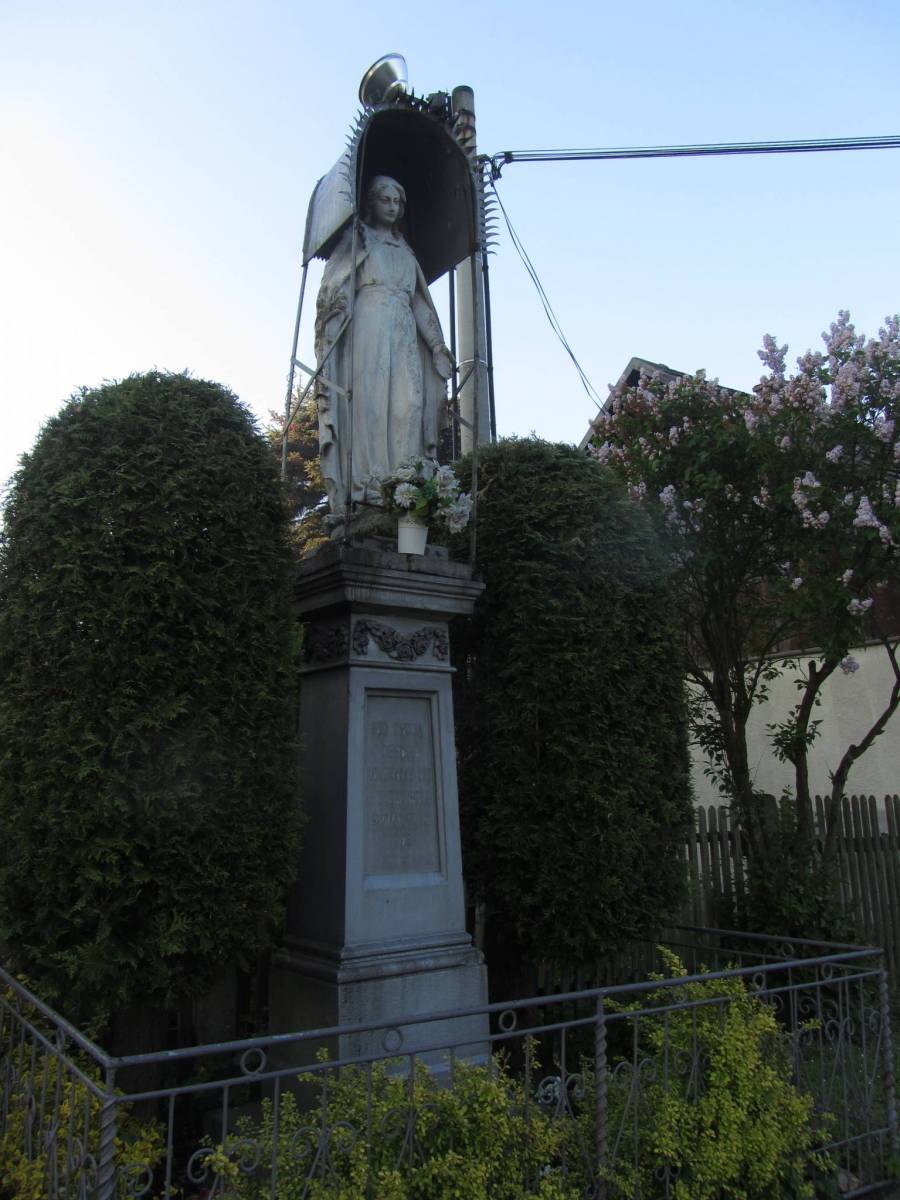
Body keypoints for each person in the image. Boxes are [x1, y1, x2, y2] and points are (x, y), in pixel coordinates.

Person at [314, 175, 454, 516]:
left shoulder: (405, 250)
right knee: (372, 407)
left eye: (396, 202)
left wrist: (436, 345)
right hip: (369, 328)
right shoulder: (357, 239)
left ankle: (406, 486)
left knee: (410, 404)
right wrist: (333, 322)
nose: (392, 207)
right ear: (371, 203)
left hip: (403, 331)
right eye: (385, 200)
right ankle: (371, 486)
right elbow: (337, 288)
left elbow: (419, 301)